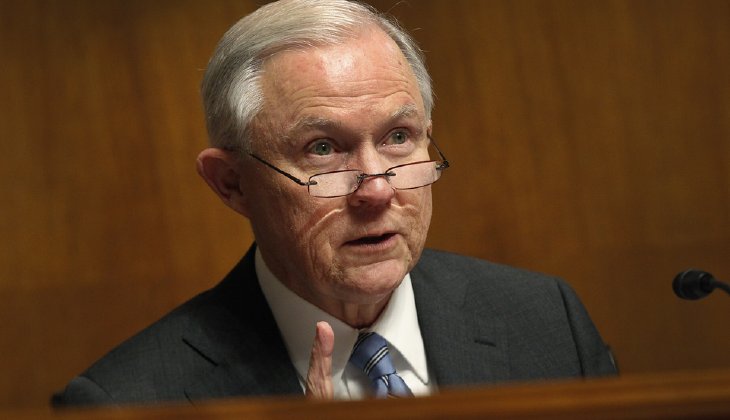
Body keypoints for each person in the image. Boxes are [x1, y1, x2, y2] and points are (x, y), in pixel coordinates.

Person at [52, 0, 616, 407]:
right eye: (322, 149)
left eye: (398, 137)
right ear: (232, 184)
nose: (377, 189)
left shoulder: (547, 322)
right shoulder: (127, 401)